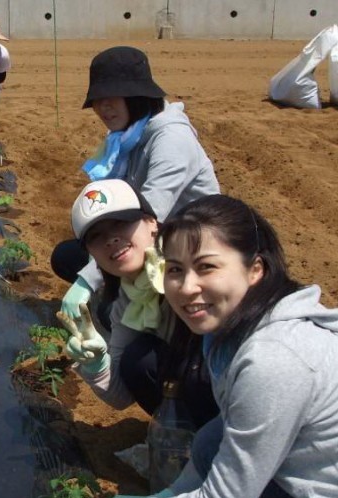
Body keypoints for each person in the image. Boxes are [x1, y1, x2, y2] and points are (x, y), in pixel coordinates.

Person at [56, 194, 338, 498]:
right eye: (177, 270)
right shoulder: (226, 329)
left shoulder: (274, 358)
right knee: (208, 441)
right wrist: (95, 364)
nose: (188, 288)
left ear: (255, 268)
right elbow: (128, 398)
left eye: (206, 267)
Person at [53, 46, 220, 328]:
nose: (103, 108)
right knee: (67, 255)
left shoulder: (171, 139)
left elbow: (152, 215)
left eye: (112, 98)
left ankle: (155, 322)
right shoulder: (127, 136)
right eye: (98, 100)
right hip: (151, 237)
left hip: (187, 248)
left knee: (111, 314)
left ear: (137, 96)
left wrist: (88, 280)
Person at [56, 179, 217, 427]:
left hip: (246, 384)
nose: (111, 239)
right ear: (92, 255)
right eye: (97, 236)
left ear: (152, 223)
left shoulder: (195, 268)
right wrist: (96, 364)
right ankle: (185, 435)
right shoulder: (128, 303)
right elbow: (121, 398)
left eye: (121, 223)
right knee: (138, 362)